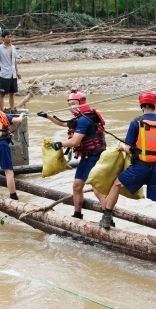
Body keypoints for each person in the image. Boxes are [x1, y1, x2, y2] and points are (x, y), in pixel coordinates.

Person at [99, 91, 156, 240]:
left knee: (116, 184)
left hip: (140, 167)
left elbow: (129, 149)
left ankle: (107, 217)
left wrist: (121, 146)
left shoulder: (136, 122)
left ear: (141, 104)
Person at [38, 91, 107, 220]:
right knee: (77, 186)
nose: (71, 107)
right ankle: (77, 215)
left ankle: (108, 218)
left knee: (97, 190)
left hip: (95, 157)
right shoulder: (81, 117)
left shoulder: (84, 120)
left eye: (74, 104)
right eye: (69, 104)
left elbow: (75, 142)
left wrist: (60, 144)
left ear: (82, 103)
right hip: (85, 157)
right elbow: (64, 123)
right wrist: (47, 116)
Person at [0, 30, 21, 111]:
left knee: (12, 93)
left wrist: (17, 72)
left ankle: (12, 109)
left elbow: (14, 61)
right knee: (2, 93)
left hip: (13, 73)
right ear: (3, 38)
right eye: (8, 37)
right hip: (4, 74)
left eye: (10, 36)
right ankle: (1, 110)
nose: (9, 38)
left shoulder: (13, 47)